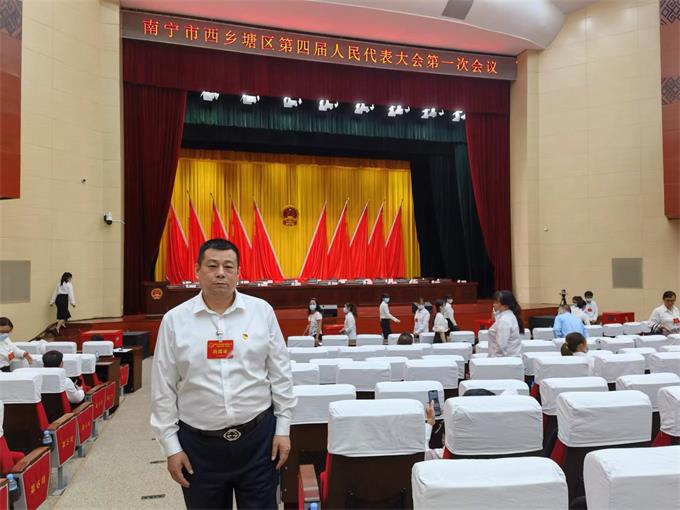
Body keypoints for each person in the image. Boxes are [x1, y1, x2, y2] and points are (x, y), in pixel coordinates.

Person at [150, 238, 296, 510]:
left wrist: (283, 429)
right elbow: (163, 388)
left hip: (259, 441)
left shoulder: (261, 312)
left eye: (228, 267)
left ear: (238, 272)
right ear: (197, 270)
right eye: (212, 266)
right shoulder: (174, 320)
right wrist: (171, 446)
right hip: (198, 448)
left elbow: (281, 374)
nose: (220, 273)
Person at [487, 290, 523, 357]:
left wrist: (493, 360)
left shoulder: (504, 321)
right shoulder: (508, 315)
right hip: (509, 357)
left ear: (505, 306)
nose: (493, 304)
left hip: (504, 359)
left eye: (497, 303)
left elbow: (501, 346)